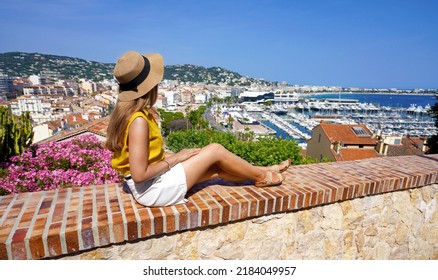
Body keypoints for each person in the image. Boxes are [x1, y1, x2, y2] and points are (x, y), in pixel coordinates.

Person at [106, 50, 290, 207]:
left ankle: (264, 169)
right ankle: (262, 177)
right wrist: (178, 157)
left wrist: (186, 155)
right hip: (151, 190)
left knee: (215, 167)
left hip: (150, 185)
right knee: (215, 150)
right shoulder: (138, 120)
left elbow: (149, 158)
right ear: (150, 86)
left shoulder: (133, 113)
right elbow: (139, 175)